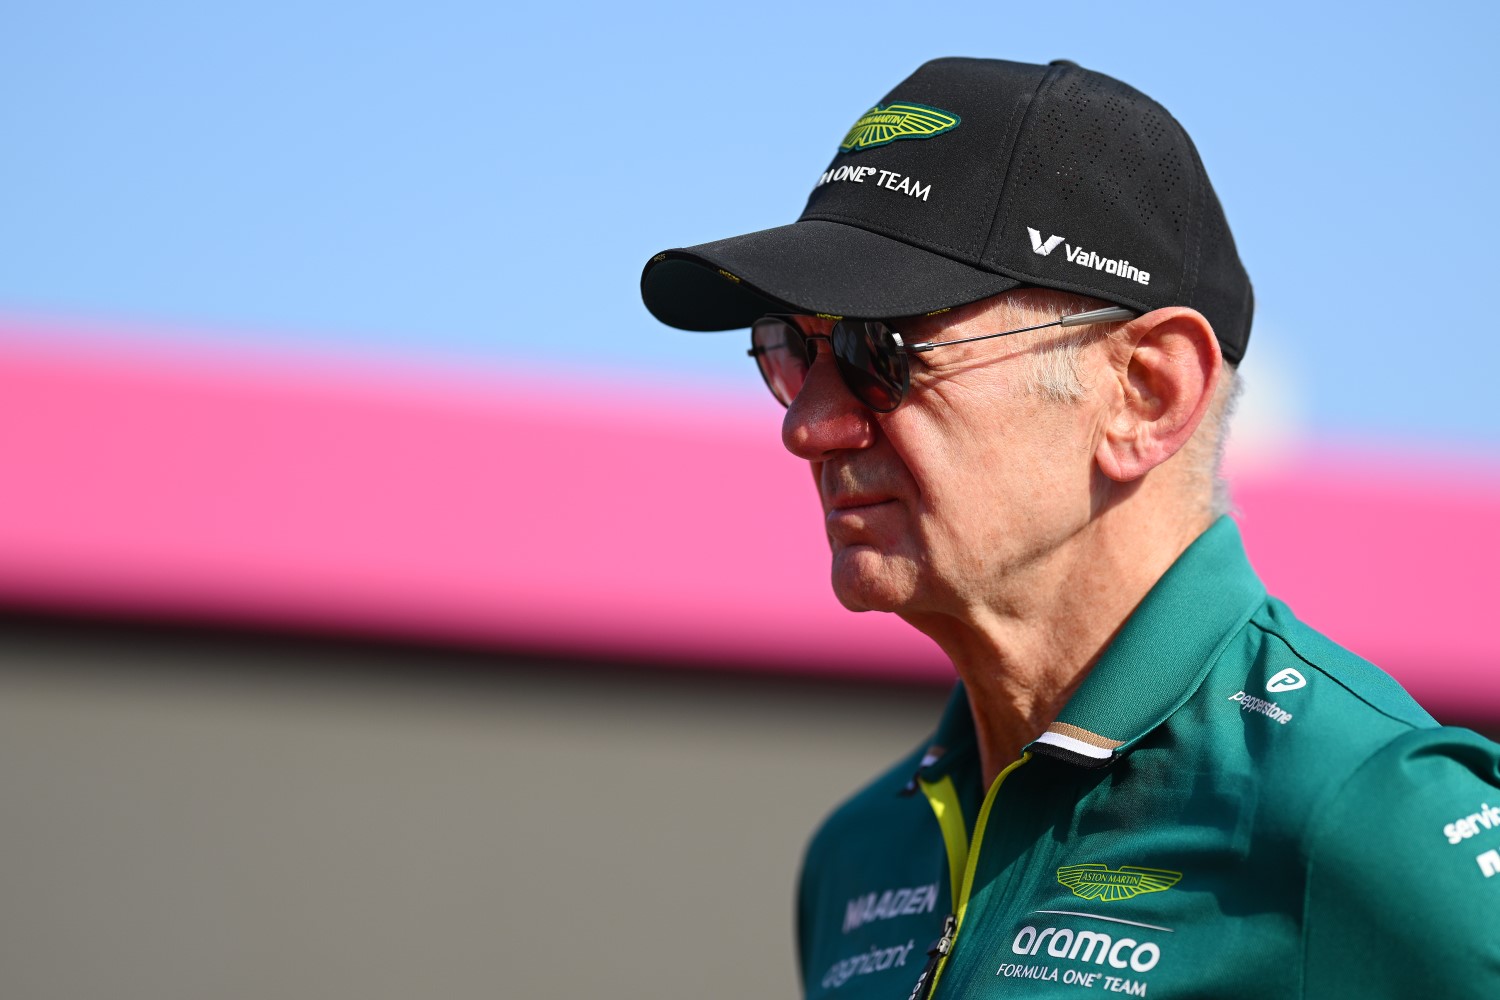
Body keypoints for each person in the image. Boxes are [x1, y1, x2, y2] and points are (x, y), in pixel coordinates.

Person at [639, 58, 1500, 999]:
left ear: (1145, 394)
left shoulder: (1371, 813)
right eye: (794, 351)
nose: (807, 425)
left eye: (876, 350)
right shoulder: (861, 858)